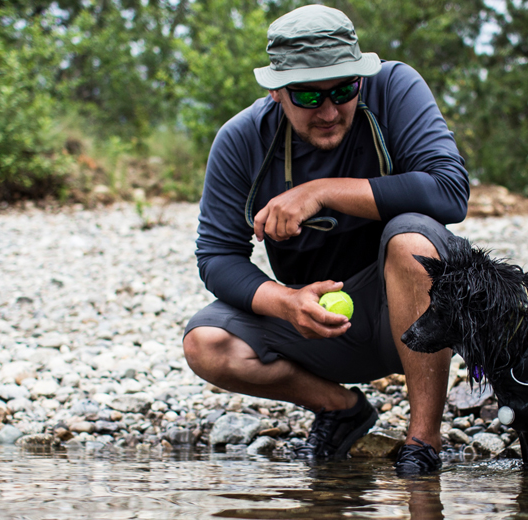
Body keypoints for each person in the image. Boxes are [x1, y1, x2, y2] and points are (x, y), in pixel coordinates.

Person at [182, 4, 469, 476]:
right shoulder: (241, 141)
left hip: (422, 316)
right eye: (309, 98)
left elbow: (449, 192)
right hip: (316, 326)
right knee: (206, 343)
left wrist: (320, 193)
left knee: (410, 238)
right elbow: (216, 255)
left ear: (361, 77)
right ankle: (341, 410)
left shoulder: (395, 88)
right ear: (277, 91)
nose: (331, 111)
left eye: (343, 90)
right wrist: (284, 302)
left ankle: (423, 443)